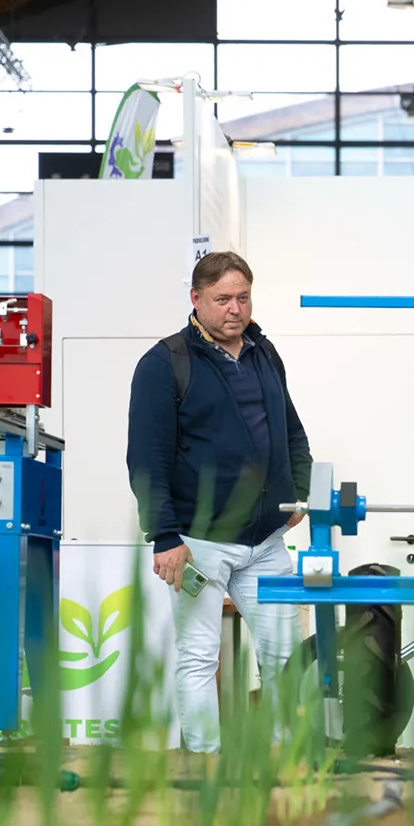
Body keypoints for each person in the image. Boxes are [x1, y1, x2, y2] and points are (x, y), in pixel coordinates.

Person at [127, 251, 312, 754]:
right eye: (222, 298)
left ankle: (282, 754)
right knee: (199, 655)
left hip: (265, 542)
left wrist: (299, 490)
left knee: (282, 654)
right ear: (195, 299)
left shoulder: (263, 353)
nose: (235, 308)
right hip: (198, 542)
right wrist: (164, 536)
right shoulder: (164, 364)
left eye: (243, 297)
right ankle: (205, 763)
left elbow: (291, 429)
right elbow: (146, 459)